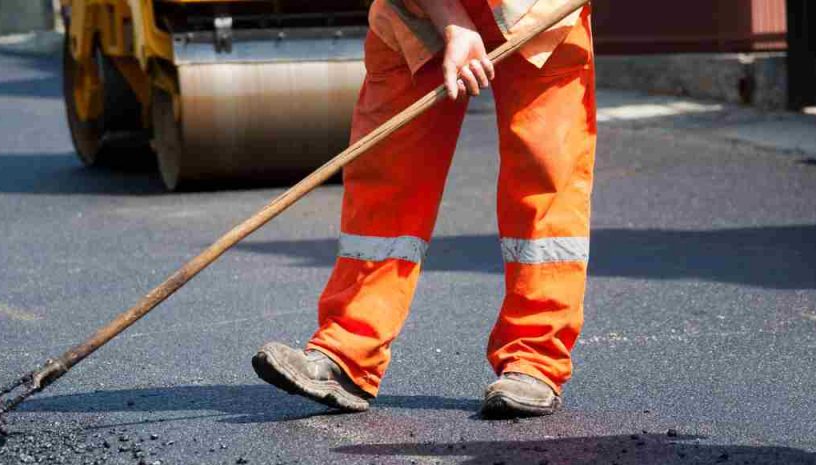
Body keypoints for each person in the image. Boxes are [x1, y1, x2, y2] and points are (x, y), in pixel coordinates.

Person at [252, 0, 596, 418]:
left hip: (540, 11)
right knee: (386, 177)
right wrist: (453, 23)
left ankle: (535, 361)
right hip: (415, 15)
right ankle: (347, 352)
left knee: (546, 179)